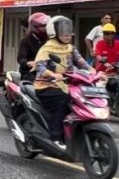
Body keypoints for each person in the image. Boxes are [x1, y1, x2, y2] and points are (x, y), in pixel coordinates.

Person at [34, 16, 91, 149]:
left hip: (68, 84)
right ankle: (56, 136)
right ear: (54, 32)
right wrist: (52, 74)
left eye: (69, 30)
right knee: (62, 100)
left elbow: (82, 63)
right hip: (47, 86)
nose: (67, 34)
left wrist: (95, 72)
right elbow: (40, 66)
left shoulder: (70, 48)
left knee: (82, 99)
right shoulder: (47, 49)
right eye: (63, 30)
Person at [16, 12, 50, 81]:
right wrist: (28, 63)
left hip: (48, 72)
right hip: (30, 72)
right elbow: (21, 58)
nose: (45, 28)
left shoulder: (50, 40)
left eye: (46, 26)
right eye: (42, 26)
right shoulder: (26, 41)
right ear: (34, 27)